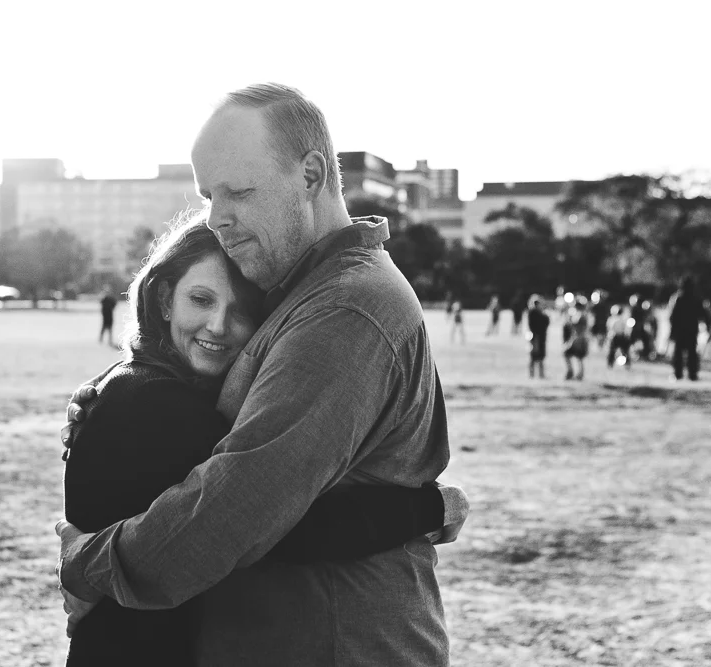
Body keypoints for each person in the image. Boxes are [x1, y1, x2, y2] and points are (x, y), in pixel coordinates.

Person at [57, 83, 454, 666]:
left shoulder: (343, 309)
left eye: (239, 192)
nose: (217, 219)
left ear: (312, 176)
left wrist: (87, 563)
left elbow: (231, 514)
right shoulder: (305, 292)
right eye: (208, 195)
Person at [669, 276, 707, 381]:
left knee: (678, 353)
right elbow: (703, 314)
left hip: (680, 330)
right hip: (692, 330)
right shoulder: (696, 298)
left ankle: (678, 374)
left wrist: (672, 329)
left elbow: (672, 316)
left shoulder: (677, 298)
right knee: (691, 353)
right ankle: (692, 374)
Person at [562, 295, 590, 380]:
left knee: (575, 356)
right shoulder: (582, 314)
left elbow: (575, 324)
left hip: (578, 339)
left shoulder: (581, 315)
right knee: (576, 356)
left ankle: (576, 373)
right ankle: (576, 373)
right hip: (578, 338)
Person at [526, 294, 550, 379]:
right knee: (535, 356)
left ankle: (540, 374)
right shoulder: (534, 313)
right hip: (536, 337)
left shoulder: (536, 313)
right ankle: (535, 374)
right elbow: (544, 322)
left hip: (540, 337)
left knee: (540, 357)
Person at [606, 304, 632, 369]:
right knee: (624, 352)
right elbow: (627, 329)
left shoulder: (612, 319)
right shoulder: (624, 319)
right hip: (621, 337)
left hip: (615, 337)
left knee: (613, 351)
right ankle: (627, 364)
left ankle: (610, 364)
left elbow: (610, 329)